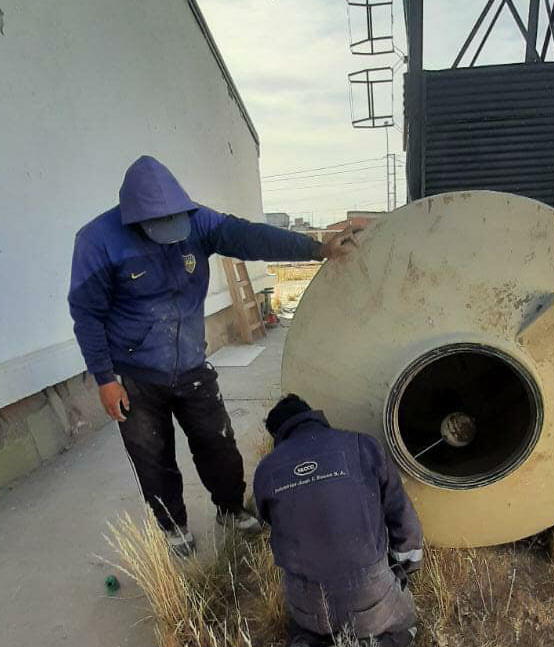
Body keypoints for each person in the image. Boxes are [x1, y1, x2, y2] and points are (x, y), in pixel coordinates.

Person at [68, 156, 357, 557]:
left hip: (189, 365)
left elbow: (250, 237)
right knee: (152, 457)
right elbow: (87, 315)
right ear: (134, 220)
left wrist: (316, 248)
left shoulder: (198, 221)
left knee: (218, 444)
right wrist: (104, 378)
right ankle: (173, 527)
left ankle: (230, 509)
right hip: (134, 374)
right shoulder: (97, 241)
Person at [254, 395, 423, 647]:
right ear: (314, 416)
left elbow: (268, 522)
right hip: (367, 592)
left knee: (309, 626)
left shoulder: (267, 469)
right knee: (405, 626)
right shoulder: (363, 446)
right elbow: (402, 516)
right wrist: (404, 566)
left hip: (305, 598)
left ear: (277, 435)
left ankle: (305, 646)